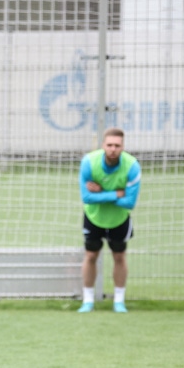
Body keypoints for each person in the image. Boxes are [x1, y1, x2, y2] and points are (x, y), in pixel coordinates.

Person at [78, 127, 141, 313]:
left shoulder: (132, 166)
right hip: (94, 217)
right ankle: (88, 300)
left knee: (119, 257)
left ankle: (119, 301)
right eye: (109, 145)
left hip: (119, 220)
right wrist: (116, 194)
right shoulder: (89, 162)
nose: (113, 149)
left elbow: (129, 202)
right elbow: (87, 198)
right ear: (103, 145)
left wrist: (102, 193)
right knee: (90, 256)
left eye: (117, 145)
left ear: (123, 147)